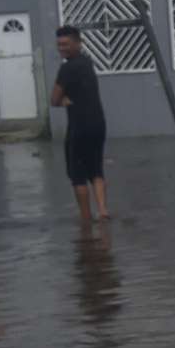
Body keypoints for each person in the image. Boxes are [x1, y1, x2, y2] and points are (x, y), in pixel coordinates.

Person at [51, 26, 109, 222]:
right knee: (96, 169)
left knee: (77, 175)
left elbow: (54, 99)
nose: (62, 48)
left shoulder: (67, 68)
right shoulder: (87, 62)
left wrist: (64, 100)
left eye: (66, 44)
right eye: (59, 44)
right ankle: (103, 212)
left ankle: (86, 219)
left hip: (79, 126)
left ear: (78, 43)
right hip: (98, 124)